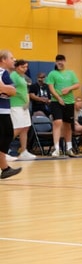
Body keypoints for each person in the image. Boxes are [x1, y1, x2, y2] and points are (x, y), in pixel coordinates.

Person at [47, 54, 81, 157]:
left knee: (67, 125)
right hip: (56, 101)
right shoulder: (52, 74)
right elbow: (51, 88)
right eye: (58, 61)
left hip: (69, 102)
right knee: (57, 122)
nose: (60, 62)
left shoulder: (71, 73)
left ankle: (69, 148)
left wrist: (69, 88)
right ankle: (56, 148)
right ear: (55, 62)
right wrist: (58, 98)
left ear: (65, 61)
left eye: (62, 60)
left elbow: (77, 84)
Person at [0, 50, 22, 179]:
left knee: (7, 136)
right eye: (11, 58)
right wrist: (7, 89)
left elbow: (12, 91)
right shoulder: (1, 72)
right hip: (1, 111)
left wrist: (8, 89)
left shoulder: (6, 74)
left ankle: (5, 168)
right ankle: (5, 168)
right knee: (6, 136)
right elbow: (5, 89)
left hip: (4, 110)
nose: (14, 60)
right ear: (3, 60)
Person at [10, 59, 35, 160]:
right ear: (16, 67)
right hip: (15, 105)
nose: (25, 69)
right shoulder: (13, 76)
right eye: (22, 67)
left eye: (26, 67)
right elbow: (11, 89)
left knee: (25, 128)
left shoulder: (23, 77)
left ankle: (24, 151)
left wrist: (27, 101)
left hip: (24, 106)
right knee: (17, 128)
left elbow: (25, 91)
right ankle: (3, 151)